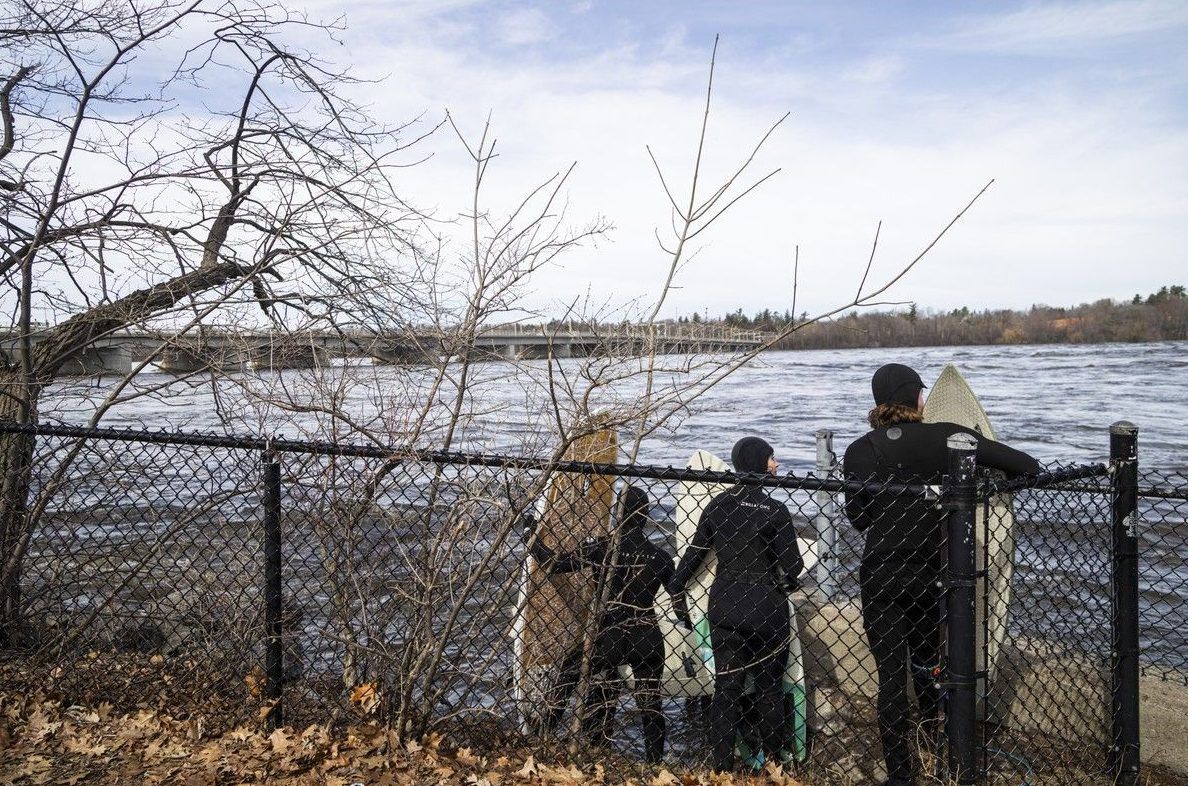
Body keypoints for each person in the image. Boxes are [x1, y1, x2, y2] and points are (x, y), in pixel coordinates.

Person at [843, 363, 1040, 786]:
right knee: (931, 664)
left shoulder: (859, 450)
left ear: (878, 402)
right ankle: (937, 752)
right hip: (930, 576)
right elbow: (1027, 466)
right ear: (918, 399)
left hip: (880, 573)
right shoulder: (949, 436)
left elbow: (858, 518)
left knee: (890, 679)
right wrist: (973, 489)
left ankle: (900, 774)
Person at [667, 437, 805, 773]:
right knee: (769, 688)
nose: (776, 465)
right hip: (765, 607)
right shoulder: (776, 510)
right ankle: (774, 766)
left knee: (726, 689)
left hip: (726, 603)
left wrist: (677, 591)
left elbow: (693, 556)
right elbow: (794, 566)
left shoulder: (718, 506)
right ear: (759, 463)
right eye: (772, 459)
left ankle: (721, 770)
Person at [529, 484, 672, 763]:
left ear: (618, 516)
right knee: (650, 705)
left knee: (571, 671)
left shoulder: (602, 548)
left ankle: (543, 734)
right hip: (647, 631)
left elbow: (553, 564)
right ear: (645, 516)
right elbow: (679, 601)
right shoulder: (660, 557)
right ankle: (654, 765)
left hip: (611, 631)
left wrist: (531, 534)